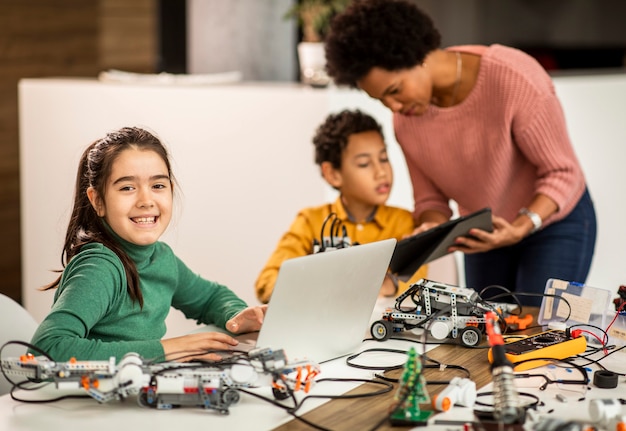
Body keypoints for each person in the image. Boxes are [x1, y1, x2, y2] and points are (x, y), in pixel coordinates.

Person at [324, 0, 596, 306]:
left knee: (538, 332)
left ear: (418, 56)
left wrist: (521, 226)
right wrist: (429, 228)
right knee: (485, 330)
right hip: (485, 232)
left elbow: (563, 172)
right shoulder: (407, 122)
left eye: (395, 91)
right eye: (382, 101)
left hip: (553, 222)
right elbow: (431, 200)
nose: (394, 109)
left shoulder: (514, 78)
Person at [30, 126, 266, 362]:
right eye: (127, 188)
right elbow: (48, 348)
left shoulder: (160, 257)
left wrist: (236, 317)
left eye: (158, 186)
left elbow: (210, 298)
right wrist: (168, 349)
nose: (146, 200)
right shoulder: (100, 267)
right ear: (98, 201)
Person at [255, 109, 427, 304]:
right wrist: (313, 288)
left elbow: (417, 276)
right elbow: (267, 281)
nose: (381, 172)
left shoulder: (403, 222)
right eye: (364, 164)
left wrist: (389, 285)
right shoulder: (311, 221)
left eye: (383, 159)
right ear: (332, 174)